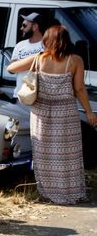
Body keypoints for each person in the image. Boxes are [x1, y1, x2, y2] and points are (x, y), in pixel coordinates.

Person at [7, 24, 97, 204]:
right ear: (67, 40)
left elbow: (11, 68)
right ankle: (70, 192)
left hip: (41, 113)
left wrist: (31, 59)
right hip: (66, 113)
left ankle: (48, 192)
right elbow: (79, 89)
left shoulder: (39, 58)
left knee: (44, 153)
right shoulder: (76, 60)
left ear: (47, 40)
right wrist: (89, 112)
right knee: (68, 154)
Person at [9, 12, 45, 98]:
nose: (21, 28)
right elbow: (11, 70)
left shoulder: (48, 44)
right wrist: (33, 62)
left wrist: (19, 64)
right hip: (20, 96)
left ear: (35, 26)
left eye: (24, 25)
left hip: (40, 98)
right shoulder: (20, 45)